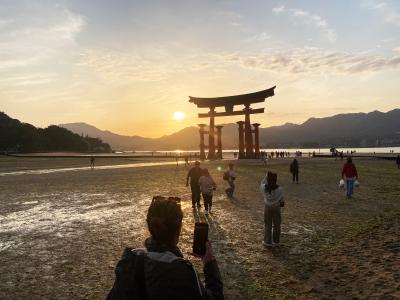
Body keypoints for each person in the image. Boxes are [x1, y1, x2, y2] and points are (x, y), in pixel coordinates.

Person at [107, 197, 224, 300]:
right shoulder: (182, 272)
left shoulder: (129, 262)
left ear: (150, 227)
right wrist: (209, 263)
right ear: (179, 230)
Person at [260, 172, 284, 247]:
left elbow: (262, 182)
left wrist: (266, 176)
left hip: (267, 206)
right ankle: (276, 241)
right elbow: (282, 200)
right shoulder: (280, 189)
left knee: (268, 224)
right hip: (276, 207)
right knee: (277, 225)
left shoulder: (264, 188)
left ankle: (267, 241)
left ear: (267, 179)